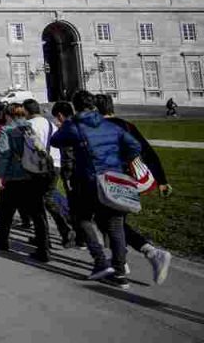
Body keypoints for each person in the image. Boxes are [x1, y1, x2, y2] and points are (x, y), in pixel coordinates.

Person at [50, 90, 141, 288]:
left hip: (88, 180)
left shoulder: (74, 126)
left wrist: (69, 122)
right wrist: (121, 162)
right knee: (115, 225)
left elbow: (55, 141)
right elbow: (135, 146)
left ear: (75, 107)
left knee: (80, 218)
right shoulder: (110, 125)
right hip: (113, 179)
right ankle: (119, 273)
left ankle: (100, 261)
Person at [95, 93, 174, 285]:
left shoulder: (99, 128)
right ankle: (122, 258)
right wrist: (162, 180)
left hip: (112, 181)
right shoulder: (127, 125)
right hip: (129, 181)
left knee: (111, 222)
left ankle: (150, 253)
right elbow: (148, 153)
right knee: (111, 221)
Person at [0, 104, 51, 262]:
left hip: (14, 176)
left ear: (8, 115)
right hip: (33, 175)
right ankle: (44, 248)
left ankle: (3, 240)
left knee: (6, 211)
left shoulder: (7, 130)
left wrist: (0, 175)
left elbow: (4, 155)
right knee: (38, 213)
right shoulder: (30, 128)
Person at [24, 99, 74, 248]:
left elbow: (27, 149)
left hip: (39, 168)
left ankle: (44, 238)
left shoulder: (29, 126)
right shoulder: (50, 124)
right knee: (48, 199)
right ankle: (64, 230)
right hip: (55, 165)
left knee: (37, 204)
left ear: (26, 111)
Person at [50, 101, 85, 249]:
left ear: (60, 115)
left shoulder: (68, 127)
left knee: (75, 205)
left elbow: (54, 141)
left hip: (71, 170)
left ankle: (81, 238)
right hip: (87, 168)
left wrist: (61, 127)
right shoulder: (83, 124)